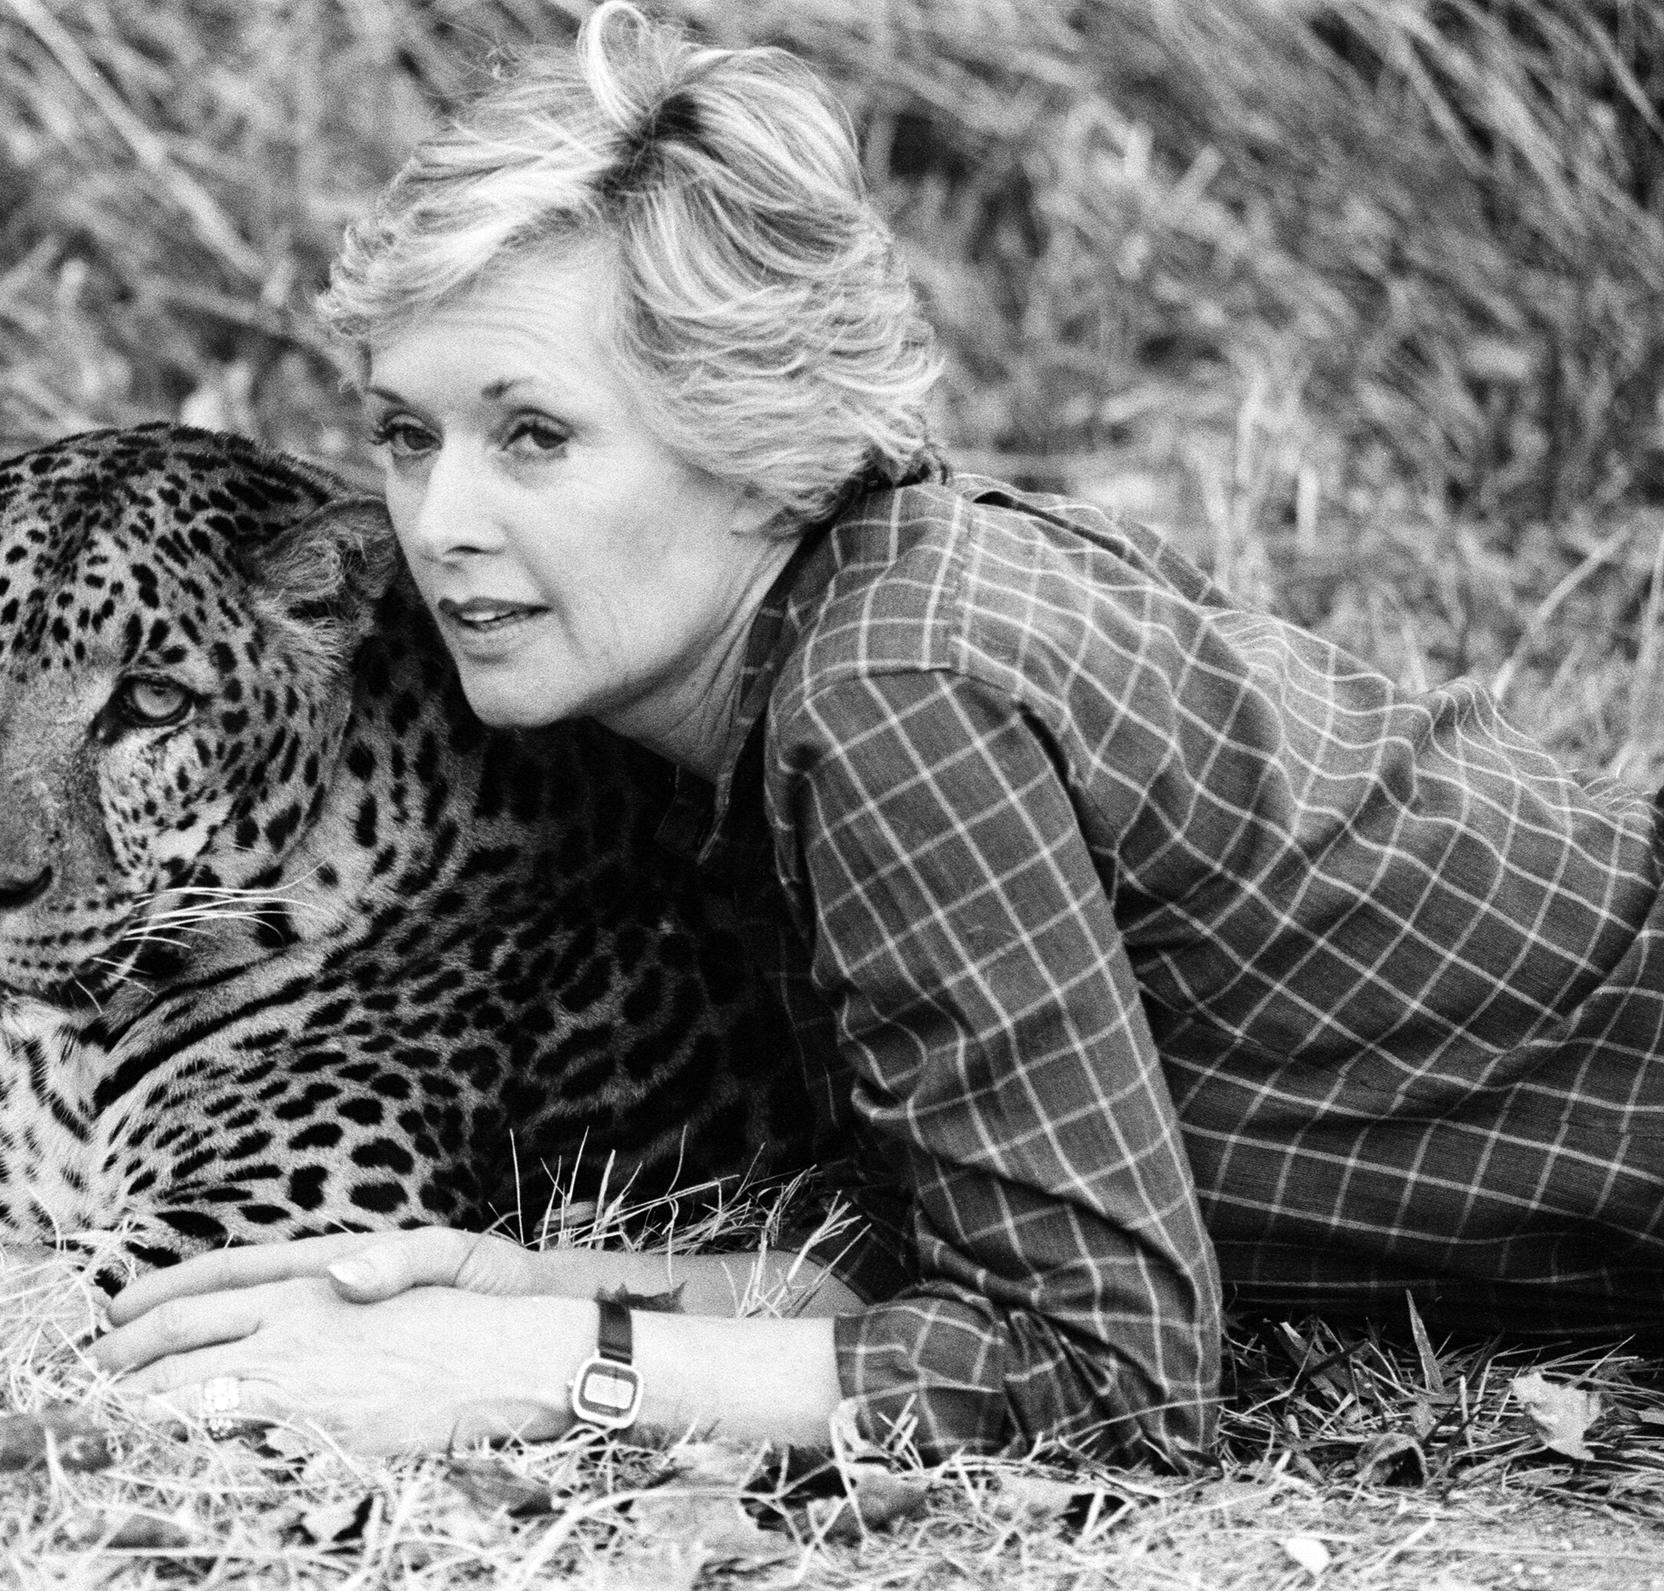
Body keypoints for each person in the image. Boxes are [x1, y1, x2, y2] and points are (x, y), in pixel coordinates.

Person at [91, 3, 1664, 1467]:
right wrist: (512, 1281)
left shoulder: (891, 699)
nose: (440, 524)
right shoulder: (843, 629)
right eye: (405, 434)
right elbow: (972, 1234)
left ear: (754, 434)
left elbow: (1096, 1366)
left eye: (535, 436)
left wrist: (517, 1370)